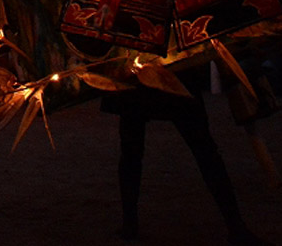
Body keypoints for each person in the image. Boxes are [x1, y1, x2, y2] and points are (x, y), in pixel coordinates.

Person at [102, 68, 268, 244]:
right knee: (202, 151)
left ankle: (130, 224)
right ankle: (236, 226)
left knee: (200, 150)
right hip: (158, 77)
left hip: (166, 76)